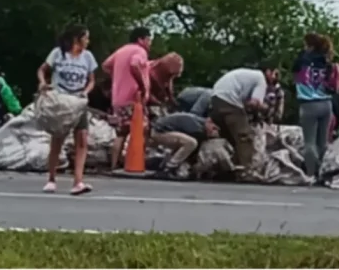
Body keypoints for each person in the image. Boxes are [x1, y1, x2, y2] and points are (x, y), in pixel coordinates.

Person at [37, 24, 97, 195]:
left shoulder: (87, 57)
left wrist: (86, 92)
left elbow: (92, 79)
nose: (88, 41)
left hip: (78, 102)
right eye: (85, 37)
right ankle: (51, 178)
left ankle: (78, 181)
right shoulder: (58, 53)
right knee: (58, 139)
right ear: (77, 39)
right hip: (61, 100)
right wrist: (43, 83)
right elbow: (42, 70)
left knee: (82, 139)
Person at [209, 63, 279, 180]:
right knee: (245, 137)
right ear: (268, 72)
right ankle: (246, 171)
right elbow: (254, 103)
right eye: (275, 74)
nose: (275, 77)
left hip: (216, 96)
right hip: (229, 99)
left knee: (230, 136)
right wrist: (266, 107)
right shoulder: (260, 79)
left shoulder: (250, 75)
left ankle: (226, 169)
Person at [102, 27, 151, 171]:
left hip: (118, 98)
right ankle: (136, 161)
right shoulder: (140, 51)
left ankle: (114, 164)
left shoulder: (122, 50)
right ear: (141, 40)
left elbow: (106, 65)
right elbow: (134, 65)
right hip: (133, 99)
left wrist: (117, 77)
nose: (150, 44)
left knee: (121, 132)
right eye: (148, 40)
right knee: (142, 129)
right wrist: (142, 86)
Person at [293, 33, 339, 178]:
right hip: (326, 103)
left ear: (310, 46)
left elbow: (294, 74)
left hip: (308, 104)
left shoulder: (301, 62)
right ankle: (323, 173)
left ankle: (310, 173)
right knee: (323, 142)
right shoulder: (327, 63)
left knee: (309, 142)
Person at [151, 112, 219, 179]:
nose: (214, 132)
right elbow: (192, 152)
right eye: (214, 128)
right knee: (191, 143)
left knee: (185, 144)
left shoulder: (199, 122)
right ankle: (169, 169)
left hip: (164, 130)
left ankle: (165, 166)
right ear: (209, 121)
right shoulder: (197, 127)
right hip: (159, 132)